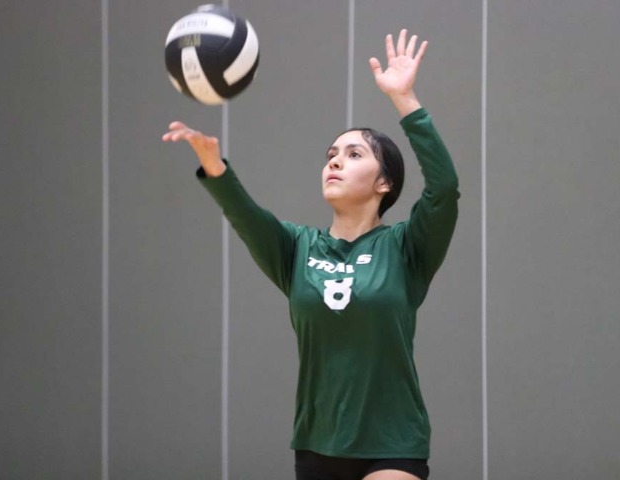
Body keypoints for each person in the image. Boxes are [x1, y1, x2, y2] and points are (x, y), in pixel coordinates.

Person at [163, 29, 459, 480]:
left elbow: (444, 189)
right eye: (331, 154)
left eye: (354, 154)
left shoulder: (406, 248)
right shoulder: (296, 249)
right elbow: (245, 216)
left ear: (384, 183)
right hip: (317, 448)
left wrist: (404, 99)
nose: (334, 161)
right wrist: (214, 166)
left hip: (393, 443)